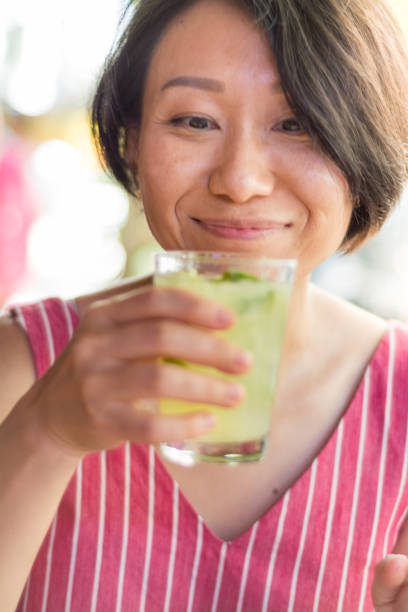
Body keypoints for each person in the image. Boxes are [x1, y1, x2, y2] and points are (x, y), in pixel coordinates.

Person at [1, 0, 408, 609]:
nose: (240, 181)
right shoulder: (20, 363)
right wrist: (45, 433)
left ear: (363, 149)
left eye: (297, 124)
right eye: (194, 120)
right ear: (131, 140)